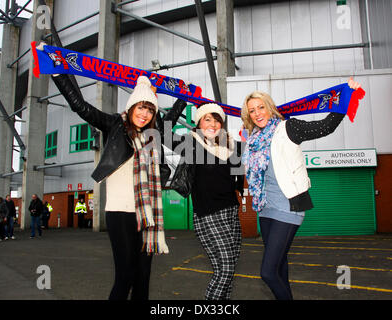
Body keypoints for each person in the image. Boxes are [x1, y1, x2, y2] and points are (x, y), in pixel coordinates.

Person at [49, 49, 186, 299]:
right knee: (125, 276)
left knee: (143, 277)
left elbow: (173, 117)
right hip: (120, 212)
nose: (144, 114)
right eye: (140, 108)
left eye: (149, 110)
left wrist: (184, 96)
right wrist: (58, 72)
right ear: (132, 106)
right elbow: (81, 108)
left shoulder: (155, 135)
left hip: (147, 214)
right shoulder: (114, 125)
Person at [241, 77, 362, 300]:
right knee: (279, 265)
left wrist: (347, 96)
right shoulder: (253, 138)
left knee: (267, 273)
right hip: (265, 209)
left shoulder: (288, 128)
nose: (257, 113)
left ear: (270, 108)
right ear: (248, 115)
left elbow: (326, 127)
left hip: (288, 206)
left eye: (261, 107)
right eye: (252, 110)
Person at [170, 103, 244, 300]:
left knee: (228, 271)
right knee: (226, 269)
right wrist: (181, 99)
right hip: (208, 215)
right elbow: (164, 128)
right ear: (198, 123)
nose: (213, 124)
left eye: (217, 120)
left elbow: (238, 179)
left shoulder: (233, 147)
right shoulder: (192, 144)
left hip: (231, 214)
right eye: (207, 119)